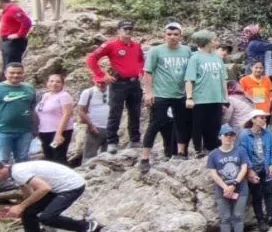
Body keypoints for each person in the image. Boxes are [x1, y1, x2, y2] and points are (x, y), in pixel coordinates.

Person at [0, 159, 99, 232]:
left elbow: (44, 188)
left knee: (47, 217)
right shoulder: (14, 172)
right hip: (56, 188)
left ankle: (85, 226)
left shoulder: (18, 172)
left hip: (71, 187)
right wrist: (22, 208)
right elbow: (28, 193)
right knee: (28, 213)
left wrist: (20, 206)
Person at [86, 20, 145, 153]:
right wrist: (101, 75)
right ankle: (112, 141)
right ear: (118, 30)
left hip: (134, 83)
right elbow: (91, 59)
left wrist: (140, 71)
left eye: (130, 29)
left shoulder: (136, 46)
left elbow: (141, 60)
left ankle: (135, 140)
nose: (128, 31)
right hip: (118, 83)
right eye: (125, 29)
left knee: (135, 112)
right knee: (115, 113)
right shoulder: (111, 45)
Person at [141, 22, 192, 171]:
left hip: (180, 93)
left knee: (182, 124)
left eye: (175, 34)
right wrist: (148, 92)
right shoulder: (156, 51)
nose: (172, 37)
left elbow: (191, 71)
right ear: (164, 35)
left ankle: (182, 152)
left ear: (180, 36)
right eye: (169, 34)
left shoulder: (186, 51)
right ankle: (145, 158)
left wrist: (190, 94)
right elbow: (148, 72)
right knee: (155, 124)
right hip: (161, 93)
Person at [184, 30, 229, 155]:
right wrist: (189, 97)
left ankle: (212, 148)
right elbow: (189, 79)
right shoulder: (195, 58)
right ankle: (198, 149)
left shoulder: (218, 58)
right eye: (214, 39)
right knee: (199, 125)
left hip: (216, 98)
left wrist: (226, 97)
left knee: (215, 125)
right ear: (207, 42)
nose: (216, 41)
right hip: (201, 98)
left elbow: (223, 79)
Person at [208, 124, 250, 232]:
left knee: (238, 216)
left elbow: (244, 168)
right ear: (220, 136)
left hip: (240, 188)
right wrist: (225, 187)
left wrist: (234, 183)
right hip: (222, 190)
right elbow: (213, 173)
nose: (228, 137)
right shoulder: (214, 154)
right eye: (226, 134)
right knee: (225, 217)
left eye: (231, 135)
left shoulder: (240, 150)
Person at [238, 109, 272, 232]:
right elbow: (243, 153)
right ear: (253, 119)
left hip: (265, 167)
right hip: (254, 169)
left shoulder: (268, 133)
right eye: (261, 117)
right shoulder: (245, 135)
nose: (264, 119)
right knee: (256, 195)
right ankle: (260, 220)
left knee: (268, 192)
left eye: (264, 118)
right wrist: (249, 170)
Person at [35, 73, 74, 164]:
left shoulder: (64, 96)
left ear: (62, 84)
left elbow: (67, 114)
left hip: (59, 131)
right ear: (47, 83)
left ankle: (63, 177)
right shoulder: (45, 95)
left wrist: (59, 133)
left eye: (58, 82)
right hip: (44, 131)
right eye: (51, 81)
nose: (54, 84)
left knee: (58, 157)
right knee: (48, 157)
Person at [76, 74, 111, 162]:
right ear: (94, 80)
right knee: (89, 156)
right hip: (94, 128)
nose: (100, 85)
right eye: (98, 82)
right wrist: (91, 125)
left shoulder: (112, 90)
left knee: (108, 156)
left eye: (103, 82)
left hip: (111, 128)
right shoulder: (88, 92)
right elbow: (80, 110)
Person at [0, 0, 32, 69]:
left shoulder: (14, 9)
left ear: (0, 1)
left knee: (12, 66)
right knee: (7, 65)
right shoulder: (7, 10)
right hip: (7, 41)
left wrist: (19, 34)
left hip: (14, 43)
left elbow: (27, 22)